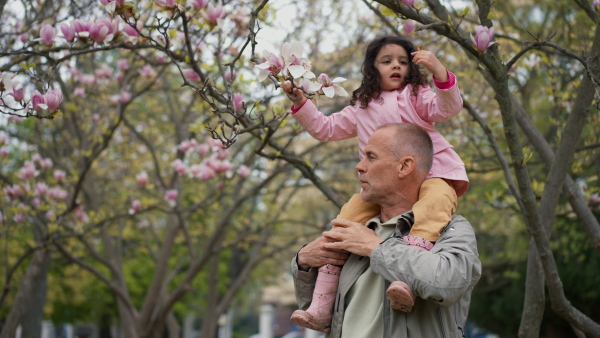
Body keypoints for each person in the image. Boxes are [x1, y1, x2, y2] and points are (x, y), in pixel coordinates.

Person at [281, 36, 469, 331]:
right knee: (342, 224)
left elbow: (447, 108)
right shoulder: (361, 107)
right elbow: (325, 128)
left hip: (434, 173)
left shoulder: (416, 95)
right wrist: (301, 103)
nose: (396, 65)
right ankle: (321, 304)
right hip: (377, 188)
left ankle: (405, 282)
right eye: (386, 61)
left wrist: (440, 73)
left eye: (403, 61)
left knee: (432, 210)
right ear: (372, 69)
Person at [291, 123, 482, 337]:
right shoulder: (353, 231)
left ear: (404, 166)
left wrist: (375, 247)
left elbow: (448, 284)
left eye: (371, 157)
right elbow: (316, 307)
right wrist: (303, 263)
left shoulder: (452, 229)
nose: (359, 166)